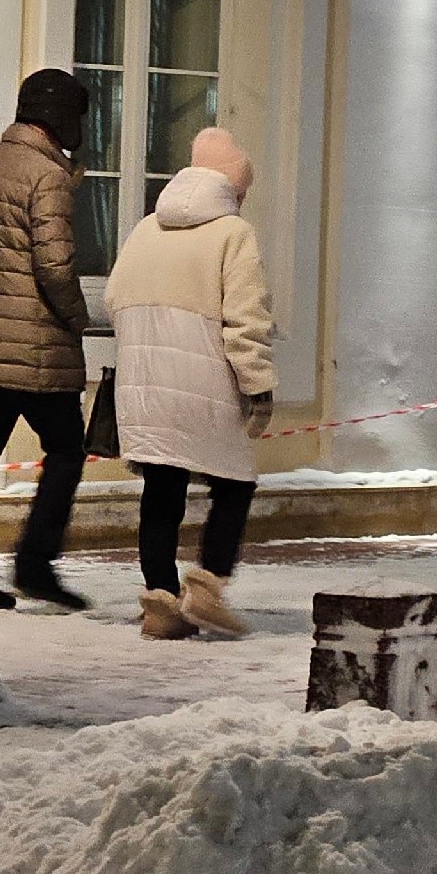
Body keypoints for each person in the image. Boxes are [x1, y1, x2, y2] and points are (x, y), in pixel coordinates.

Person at [103, 126, 275, 640]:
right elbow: (247, 320)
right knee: (235, 484)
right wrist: (258, 387)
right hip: (205, 384)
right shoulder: (233, 235)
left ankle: (160, 601)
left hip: (143, 384)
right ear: (232, 189)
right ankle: (206, 589)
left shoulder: (144, 229)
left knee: (162, 487)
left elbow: (113, 297)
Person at [0, 69, 96, 612]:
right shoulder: (46, 177)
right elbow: (56, 265)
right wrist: (78, 319)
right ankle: (35, 561)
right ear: (60, 117)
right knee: (67, 450)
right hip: (37, 349)